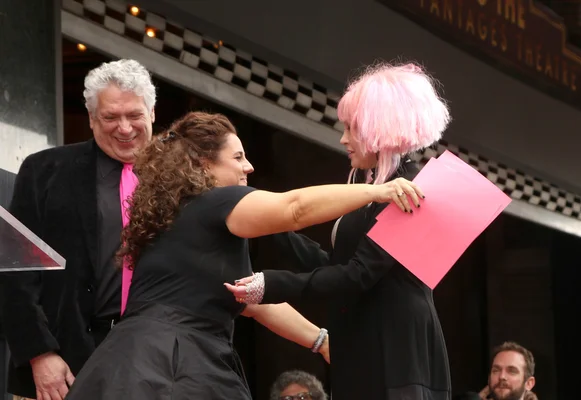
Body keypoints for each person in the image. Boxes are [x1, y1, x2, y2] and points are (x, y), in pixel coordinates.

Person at [62, 110, 423, 399]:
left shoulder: (178, 216)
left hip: (132, 363)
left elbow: (248, 298)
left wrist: (321, 341)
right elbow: (294, 208)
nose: (248, 166)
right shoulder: (215, 201)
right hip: (171, 364)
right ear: (204, 165)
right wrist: (378, 192)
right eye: (238, 157)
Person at [227, 62, 452, 400]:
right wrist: (271, 226)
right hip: (369, 352)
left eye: (351, 128)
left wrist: (270, 284)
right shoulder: (377, 186)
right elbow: (338, 264)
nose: (343, 138)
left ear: (380, 130)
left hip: (397, 360)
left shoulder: (410, 190)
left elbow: (358, 274)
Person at [0, 59, 156, 400]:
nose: (125, 128)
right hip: (60, 366)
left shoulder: (178, 182)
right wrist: (39, 353)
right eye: (110, 117)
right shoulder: (45, 170)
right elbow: (15, 271)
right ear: (91, 119)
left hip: (149, 364)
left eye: (134, 115)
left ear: (152, 113)